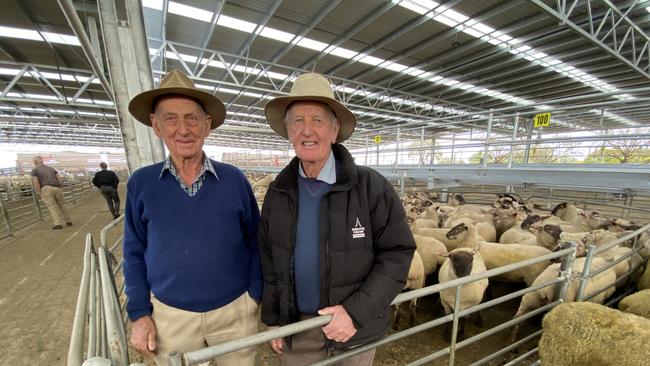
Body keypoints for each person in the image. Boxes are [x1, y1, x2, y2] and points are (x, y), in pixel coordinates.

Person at [258, 73, 416, 365]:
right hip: (298, 331)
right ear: (288, 132)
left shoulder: (371, 188)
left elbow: (397, 254)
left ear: (334, 130)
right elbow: (269, 260)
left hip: (354, 332)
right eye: (297, 122)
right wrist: (273, 318)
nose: (307, 131)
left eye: (318, 120)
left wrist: (354, 313)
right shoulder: (278, 193)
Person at [123, 69, 262, 366]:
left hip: (235, 310)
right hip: (171, 318)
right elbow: (133, 250)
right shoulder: (141, 183)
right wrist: (139, 313)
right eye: (171, 118)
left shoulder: (234, 180)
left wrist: (255, 294)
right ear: (156, 125)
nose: (183, 129)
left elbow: (256, 239)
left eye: (192, 118)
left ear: (206, 125)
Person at [31, 156, 72, 230]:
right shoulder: (51, 168)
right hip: (57, 187)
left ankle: (58, 223)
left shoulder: (35, 170)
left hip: (46, 188)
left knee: (52, 207)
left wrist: (39, 192)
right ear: (42, 161)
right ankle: (68, 221)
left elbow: (36, 182)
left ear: (34, 162)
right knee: (62, 205)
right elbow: (58, 178)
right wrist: (61, 187)